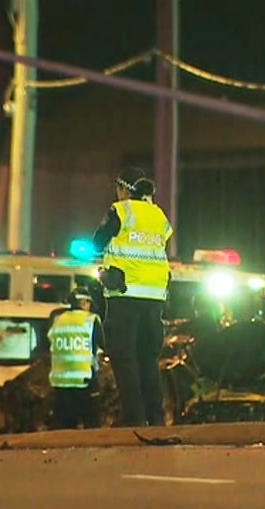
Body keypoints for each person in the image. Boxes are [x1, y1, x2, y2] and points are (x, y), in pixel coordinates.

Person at [92, 166, 174, 427]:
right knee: (148, 361)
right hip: (154, 299)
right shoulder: (159, 215)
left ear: (125, 189)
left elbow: (97, 242)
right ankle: (156, 418)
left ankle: (134, 418)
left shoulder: (121, 210)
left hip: (124, 295)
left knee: (124, 358)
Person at [47, 287, 105, 429]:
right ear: (84, 303)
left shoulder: (57, 320)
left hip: (60, 383)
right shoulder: (90, 320)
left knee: (64, 428)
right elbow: (104, 345)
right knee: (92, 426)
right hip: (84, 381)